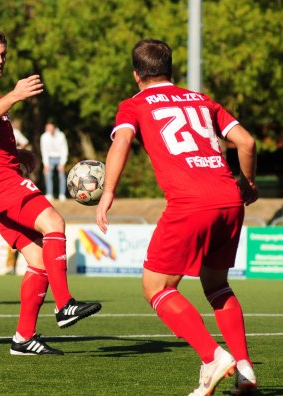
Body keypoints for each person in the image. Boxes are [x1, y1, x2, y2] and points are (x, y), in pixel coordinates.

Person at [96, 39, 258, 395]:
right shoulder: (202, 100)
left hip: (189, 202)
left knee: (156, 287)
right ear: (170, 70)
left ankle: (212, 357)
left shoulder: (134, 104)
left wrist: (108, 191)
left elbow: (121, 142)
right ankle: (245, 371)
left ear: (136, 74)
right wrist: (247, 182)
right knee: (217, 286)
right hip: (229, 199)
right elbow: (246, 143)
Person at [0, 29, 101, 356]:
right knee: (54, 222)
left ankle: (23, 337)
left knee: (37, 258)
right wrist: (15, 95)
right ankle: (64, 305)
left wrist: (18, 154)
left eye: (3, 54)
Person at [40, 122, 68, 201]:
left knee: (62, 175)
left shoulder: (61, 135)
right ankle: (49, 194)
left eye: (50, 128)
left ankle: (62, 194)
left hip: (60, 157)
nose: (49, 130)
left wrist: (62, 163)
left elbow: (64, 149)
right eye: (47, 129)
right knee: (48, 174)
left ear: (54, 128)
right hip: (49, 158)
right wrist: (46, 164)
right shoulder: (44, 137)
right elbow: (44, 151)